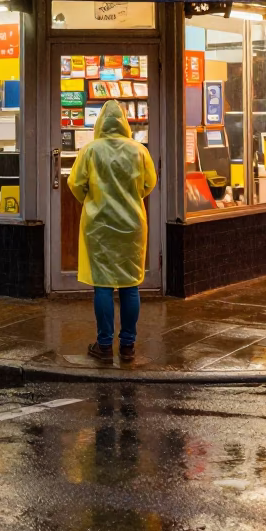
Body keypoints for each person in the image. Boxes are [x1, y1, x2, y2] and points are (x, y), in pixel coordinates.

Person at [67, 99, 157, 363]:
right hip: (132, 225)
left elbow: (75, 183)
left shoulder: (90, 150)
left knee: (103, 285)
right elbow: (149, 184)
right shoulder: (139, 151)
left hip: (99, 225)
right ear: (125, 123)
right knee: (130, 286)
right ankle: (128, 345)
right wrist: (132, 196)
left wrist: (91, 200)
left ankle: (104, 344)